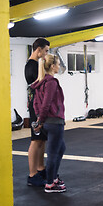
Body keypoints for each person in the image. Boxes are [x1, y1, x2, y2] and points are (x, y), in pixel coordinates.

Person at [31, 54, 66, 193]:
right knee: (52, 154)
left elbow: (35, 103)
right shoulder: (51, 82)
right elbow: (46, 104)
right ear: (52, 66)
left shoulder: (40, 82)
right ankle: (50, 184)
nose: (59, 66)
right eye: (57, 64)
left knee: (61, 148)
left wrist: (40, 119)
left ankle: (53, 178)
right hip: (54, 122)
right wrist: (40, 120)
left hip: (47, 122)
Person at [24, 38, 50, 186]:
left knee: (42, 139)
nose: (46, 54)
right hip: (35, 107)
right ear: (38, 50)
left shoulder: (37, 64)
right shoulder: (31, 66)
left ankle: (40, 168)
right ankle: (32, 174)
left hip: (39, 106)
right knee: (35, 140)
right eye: (45, 51)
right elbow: (38, 84)